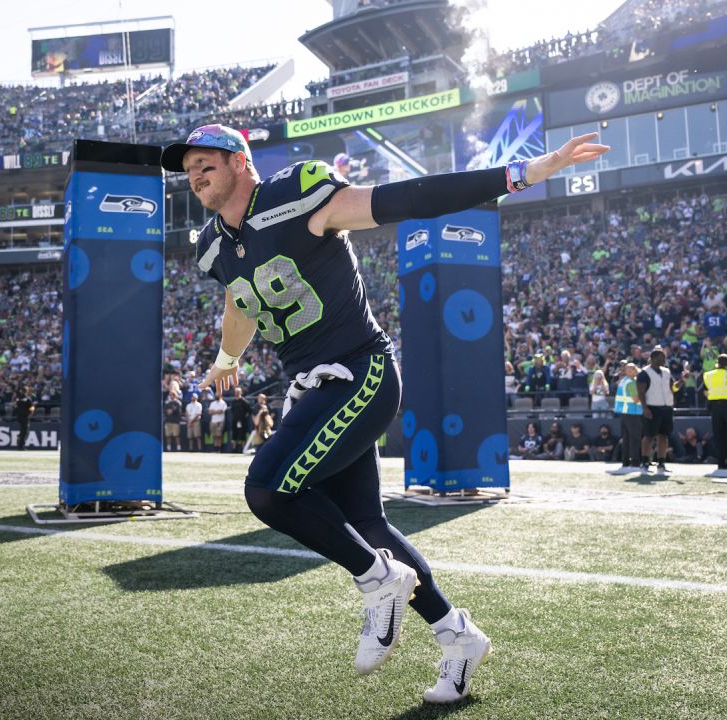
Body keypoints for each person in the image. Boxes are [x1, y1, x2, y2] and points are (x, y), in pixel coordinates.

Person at [169, 123, 607, 703]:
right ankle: (458, 637)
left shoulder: (298, 195)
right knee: (369, 526)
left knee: (268, 490)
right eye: (190, 168)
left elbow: (408, 198)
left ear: (241, 163)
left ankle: (379, 579)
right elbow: (238, 296)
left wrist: (522, 173)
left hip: (360, 372)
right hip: (313, 386)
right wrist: (228, 356)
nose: (196, 175)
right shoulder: (211, 245)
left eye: (208, 163)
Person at [637, 348, 675, 473]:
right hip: (652, 407)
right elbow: (640, 392)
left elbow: (673, 388)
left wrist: (683, 380)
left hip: (666, 408)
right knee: (649, 436)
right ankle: (644, 463)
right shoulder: (644, 373)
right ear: (653, 359)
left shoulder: (667, 371)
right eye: (662, 357)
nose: (664, 360)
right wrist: (645, 408)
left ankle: (661, 463)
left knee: (663, 437)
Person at [701, 354, 727, 471]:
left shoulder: (708, 375)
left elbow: (705, 391)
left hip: (715, 408)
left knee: (719, 436)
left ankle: (721, 462)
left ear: (717, 363)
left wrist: (713, 398)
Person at [612, 363, 644, 472]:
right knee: (635, 438)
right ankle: (635, 463)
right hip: (632, 413)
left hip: (624, 413)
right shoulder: (631, 383)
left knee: (626, 439)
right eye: (633, 369)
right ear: (628, 371)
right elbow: (636, 400)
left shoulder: (623, 381)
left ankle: (625, 462)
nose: (636, 370)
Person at [228, 385, 251, 453]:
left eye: (238, 392)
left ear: (241, 393)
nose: (236, 393)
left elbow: (249, 411)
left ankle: (243, 449)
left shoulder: (244, 402)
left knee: (243, 435)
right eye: (236, 392)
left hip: (242, 421)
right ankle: (234, 449)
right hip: (234, 421)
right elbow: (232, 410)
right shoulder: (233, 402)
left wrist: (243, 417)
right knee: (234, 435)